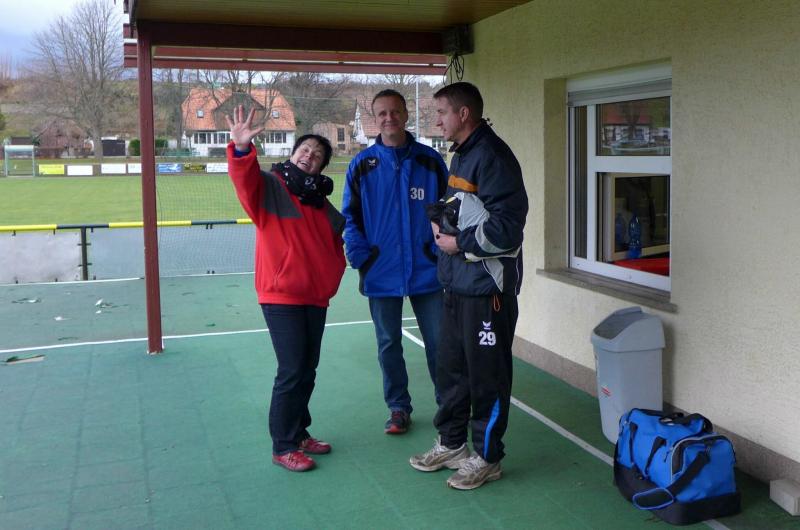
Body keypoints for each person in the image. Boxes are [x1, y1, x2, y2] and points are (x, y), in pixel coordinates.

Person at [409, 82, 528, 490]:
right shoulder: (462, 153)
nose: (436, 120)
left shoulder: (492, 156)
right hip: (457, 285)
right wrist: (440, 221)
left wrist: (459, 242)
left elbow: (508, 228)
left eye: (441, 112)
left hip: (487, 291)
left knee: (487, 379)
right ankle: (452, 444)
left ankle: (488, 457)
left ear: (463, 114)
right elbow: (465, 210)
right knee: (452, 371)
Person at [226, 105, 346, 472]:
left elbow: (339, 243)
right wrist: (242, 149)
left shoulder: (322, 206)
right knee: (292, 369)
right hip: (282, 296)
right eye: (305, 150)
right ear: (294, 154)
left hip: (315, 298)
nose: (309, 156)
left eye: (317, 155)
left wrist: (331, 278)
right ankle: (283, 445)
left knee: (307, 369)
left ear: (321, 168)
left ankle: (299, 432)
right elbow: (244, 179)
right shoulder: (271, 188)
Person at [342, 89, 448, 434]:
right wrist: (362, 257)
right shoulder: (362, 165)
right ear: (375, 119)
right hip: (381, 270)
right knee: (388, 344)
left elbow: (451, 211)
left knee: (439, 342)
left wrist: (441, 251)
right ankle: (398, 407)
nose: (389, 118)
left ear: (406, 114)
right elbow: (350, 217)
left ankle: (449, 406)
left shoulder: (430, 161)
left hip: (427, 270)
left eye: (395, 111)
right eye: (382, 113)